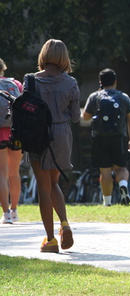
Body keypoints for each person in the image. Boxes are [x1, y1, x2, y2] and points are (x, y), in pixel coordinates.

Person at [31, 40, 81, 252]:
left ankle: (50, 240)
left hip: (37, 136)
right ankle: (65, 224)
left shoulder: (30, 80)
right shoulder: (71, 83)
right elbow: (77, 118)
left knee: (43, 188)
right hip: (61, 135)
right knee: (54, 184)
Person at [82, 68, 130, 207]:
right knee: (121, 168)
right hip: (119, 138)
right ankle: (123, 185)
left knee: (105, 170)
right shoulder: (123, 97)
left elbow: (85, 117)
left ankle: (107, 202)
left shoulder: (94, 96)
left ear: (100, 82)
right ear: (115, 81)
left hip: (100, 138)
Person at [0, 59, 23, 224]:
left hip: (0, 133)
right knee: (14, 173)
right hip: (16, 132)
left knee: (2, 173)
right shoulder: (15, 83)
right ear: (3, 69)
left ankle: (6, 213)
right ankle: (14, 210)